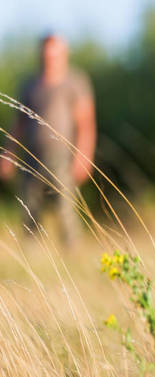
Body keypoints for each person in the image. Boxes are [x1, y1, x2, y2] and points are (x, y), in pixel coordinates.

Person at [0, 34, 96, 246]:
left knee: (66, 210)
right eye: (47, 54)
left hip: (63, 158)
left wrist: (84, 156)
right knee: (29, 210)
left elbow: (86, 123)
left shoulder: (75, 82)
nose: (50, 58)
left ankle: (73, 258)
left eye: (55, 54)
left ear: (64, 54)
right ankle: (31, 260)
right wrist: (8, 153)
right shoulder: (30, 84)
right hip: (31, 157)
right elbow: (19, 124)